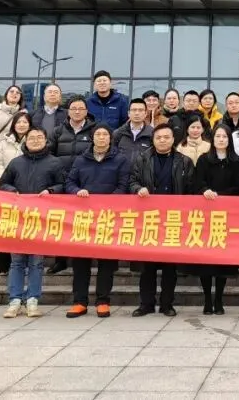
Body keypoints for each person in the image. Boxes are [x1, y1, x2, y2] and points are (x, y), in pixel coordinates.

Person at [0, 126, 65, 318]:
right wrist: (12, 191)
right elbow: (3, 183)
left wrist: (50, 191)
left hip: (41, 219)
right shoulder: (16, 162)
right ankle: (15, 300)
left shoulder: (55, 162)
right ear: (25, 141)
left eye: (39, 137)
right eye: (32, 137)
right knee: (17, 261)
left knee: (36, 262)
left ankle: (33, 299)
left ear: (46, 140)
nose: (35, 140)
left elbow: (63, 185)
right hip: (18, 219)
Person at [64, 124, 131, 318]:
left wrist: (109, 201)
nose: (101, 137)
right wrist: (77, 191)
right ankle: (79, 301)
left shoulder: (120, 160)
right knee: (80, 262)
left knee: (106, 262)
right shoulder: (81, 159)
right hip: (84, 217)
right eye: (98, 134)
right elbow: (69, 182)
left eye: (105, 134)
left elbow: (123, 185)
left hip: (108, 217)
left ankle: (103, 301)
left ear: (110, 138)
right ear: (92, 138)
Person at [130, 123, 195, 317]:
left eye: (166, 137)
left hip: (173, 219)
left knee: (169, 266)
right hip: (148, 218)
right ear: (153, 139)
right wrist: (137, 189)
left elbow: (191, 189)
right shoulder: (142, 159)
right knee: (147, 266)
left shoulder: (184, 161)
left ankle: (167, 304)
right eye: (158, 137)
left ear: (173, 139)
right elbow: (132, 181)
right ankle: (146, 304)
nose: (162, 140)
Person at [194, 125, 239, 315]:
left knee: (222, 261)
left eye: (224, 136)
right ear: (213, 139)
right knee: (206, 261)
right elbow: (197, 182)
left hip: (226, 216)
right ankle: (207, 299)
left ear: (229, 140)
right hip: (206, 215)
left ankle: (219, 299)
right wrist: (205, 190)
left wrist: (221, 196)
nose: (221, 139)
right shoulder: (204, 159)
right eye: (218, 136)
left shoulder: (236, 162)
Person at [46, 96, 94, 276]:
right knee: (61, 223)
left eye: (81, 108)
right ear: (68, 111)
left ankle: (82, 259)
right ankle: (60, 260)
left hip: (84, 184)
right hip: (61, 182)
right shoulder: (58, 131)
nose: (77, 111)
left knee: (82, 222)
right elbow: (49, 154)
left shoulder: (94, 130)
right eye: (74, 108)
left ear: (86, 111)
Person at [0, 110, 32, 275]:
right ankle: (3, 265)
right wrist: (6, 181)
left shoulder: (34, 141)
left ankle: (24, 264)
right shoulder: (3, 142)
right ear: (14, 125)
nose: (22, 125)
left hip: (27, 192)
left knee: (25, 228)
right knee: (5, 227)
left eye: (25, 122)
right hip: (6, 191)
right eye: (19, 122)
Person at [111, 97, 153, 162]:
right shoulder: (118, 133)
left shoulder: (152, 133)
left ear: (145, 113)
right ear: (128, 113)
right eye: (134, 110)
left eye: (140, 110)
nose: (137, 113)